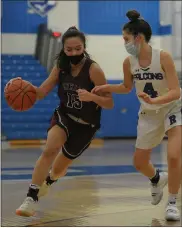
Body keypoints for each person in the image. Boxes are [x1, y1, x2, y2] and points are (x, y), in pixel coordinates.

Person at [92, 10, 181, 221]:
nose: (124, 43)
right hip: (148, 114)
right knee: (140, 163)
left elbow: (176, 91)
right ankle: (157, 179)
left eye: (126, 38)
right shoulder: (128, 62)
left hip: (172, 108)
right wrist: (105, 87)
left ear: (138, 37)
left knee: (175, 156)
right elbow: (126, 87)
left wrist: (156, 101)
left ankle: (172, 202)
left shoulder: (163, 57)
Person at [16, 26, 114, 217]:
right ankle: (31, 196)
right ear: (63, 49)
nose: (74, 53)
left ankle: (50, 181)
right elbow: (42, 92)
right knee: (49, 149)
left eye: (78, 49)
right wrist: (25, 89)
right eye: (69, 50)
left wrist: (92, 97)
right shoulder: (61, 66)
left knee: (59, 169)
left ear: (84, 47)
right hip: (65, 116)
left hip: (86, 126)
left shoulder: (94, 70)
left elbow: (109, 102)